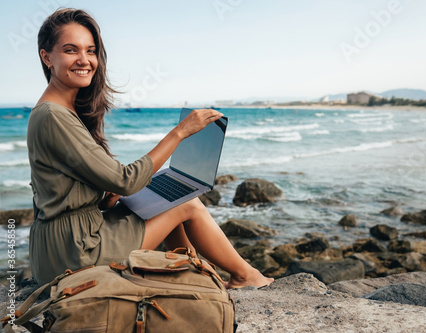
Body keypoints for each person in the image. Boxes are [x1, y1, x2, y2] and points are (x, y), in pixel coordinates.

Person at [28, 8, 273, 288]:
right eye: (71, 50)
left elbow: (72, 190)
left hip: (62, 244)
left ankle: (195, 277)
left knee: (168, 202)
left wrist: (106, 197)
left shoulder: (57, 111)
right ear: (47, 57)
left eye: (91, 51)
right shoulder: (52, 115)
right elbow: (126, 179)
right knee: (189, 204)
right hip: (76, 252)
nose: (84, 60)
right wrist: (180, 132)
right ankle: (245, 275)